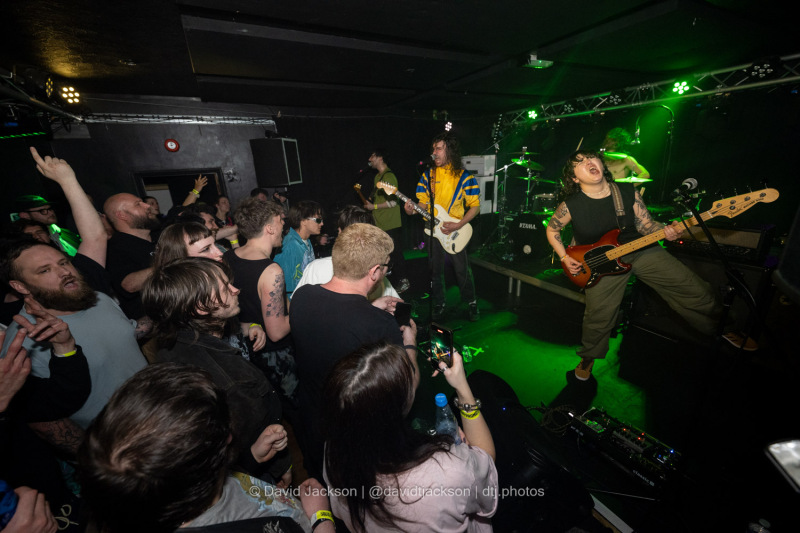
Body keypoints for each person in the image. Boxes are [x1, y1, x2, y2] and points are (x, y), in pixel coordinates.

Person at [545, 150, 755, 381]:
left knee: (693, 288)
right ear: (574, 178)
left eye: (591, 158)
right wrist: (565, 257)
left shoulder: (626, 192)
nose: (588, 162)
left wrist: (666, 231)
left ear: (602, 165)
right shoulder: (571, 205)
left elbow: (646, 225)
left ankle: (724, 327)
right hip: (599, 264)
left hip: (640, 250)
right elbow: (552, 229)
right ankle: (589, 356)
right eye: (580, 162)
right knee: (598, 316)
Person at [78, 363, 335, 533]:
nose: (230, 436)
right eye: (224, 435)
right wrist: (321, 518)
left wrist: (252, 459)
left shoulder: (160, 495)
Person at [142, 257, 291, 485]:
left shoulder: (173, 343)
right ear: (201, 308)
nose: (236, 289)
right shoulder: (231, 381)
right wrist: (279, 467)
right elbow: (242, 446)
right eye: (225, 288)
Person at [323, 342, 497, 532]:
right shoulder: (447, 473)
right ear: (403, 404)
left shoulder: (334, 450)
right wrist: (462, 387)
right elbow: (485, 461)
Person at [290, 222, 412, 480]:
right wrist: (409, 343)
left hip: (314, 422)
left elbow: (337, 319)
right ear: (375, 271)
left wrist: (371, 307)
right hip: (354, 438)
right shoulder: (379, 326)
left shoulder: (302, 297)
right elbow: (407, 387)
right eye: (386, 266)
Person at [225, 199, 298, 404]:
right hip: (274, 357)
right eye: (280, 221)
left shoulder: (228, 257)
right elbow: (276, 332)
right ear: (269, 228)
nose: (283, 225)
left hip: (246, 350)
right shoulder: (271, 270)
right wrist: (305, 310)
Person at [405, 133, 481, 321]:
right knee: (435, 269)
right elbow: (422, 204)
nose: (434, 153)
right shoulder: (427, 175)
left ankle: (471, 302)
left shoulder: (464, 177)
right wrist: (411, 210)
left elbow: (476, 206)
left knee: (461, 270)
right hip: (432, 231)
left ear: (450, 151)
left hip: (455, 230)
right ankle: (439, 303)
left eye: (438, 148)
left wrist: (459, 224)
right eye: (433, 149)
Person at [294, 205, 399, 302]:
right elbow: (396, 306)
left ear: (342, 234)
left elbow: (297, 307)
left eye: (339, 231)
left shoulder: (316, 268)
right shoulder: (376, 273)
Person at [103, 193, 160, 322]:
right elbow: (129, 284)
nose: (147, 206)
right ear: (122, 215)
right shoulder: (114, 248)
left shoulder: (160, 235)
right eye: (138, 204)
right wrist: (172, 262)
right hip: (155, 324)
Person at [364, 149, 410, 293]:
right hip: (380, 222)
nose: (370, 158)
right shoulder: (377, 177)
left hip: (391, 223)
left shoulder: (389, 177)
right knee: (386, 254)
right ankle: (392, 282)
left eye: (372, 155)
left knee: (395, 252)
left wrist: (374, 206)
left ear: (380, 157)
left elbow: (393, 203)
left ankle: (404, 281)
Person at [274, 201, 325, 298]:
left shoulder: (307, 241)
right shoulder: (289, 246)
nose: (322, 223)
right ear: (303, 220)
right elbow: (285, 288)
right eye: (318, 220)